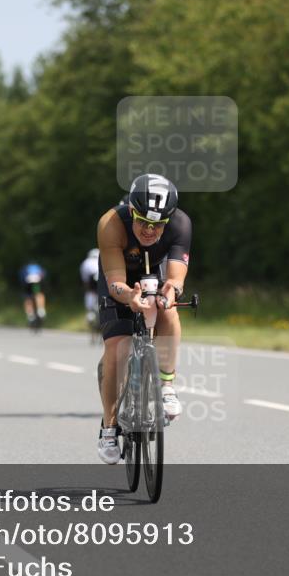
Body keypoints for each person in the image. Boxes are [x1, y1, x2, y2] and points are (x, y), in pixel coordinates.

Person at [95, 173, 191, 464]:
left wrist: (169, 293)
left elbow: (176, 278)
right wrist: (129, 298)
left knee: (169, 310)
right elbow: (115, 282)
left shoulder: (181, 224)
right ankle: (109, 428)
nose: (149, 231)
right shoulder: (111, 223)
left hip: (156, 274)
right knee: (118, 347)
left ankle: (166, 386)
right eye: (143, 222)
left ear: (168, 220)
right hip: (121, 279)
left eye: (157, 225)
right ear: (131, 211)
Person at [79, 248, 101, 328]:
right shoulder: (102, 260)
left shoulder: (85, 263)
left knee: (90, 293)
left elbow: (85, 280)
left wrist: (87, 289)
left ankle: (90, 313)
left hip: (92, 280)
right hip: (101, 279)